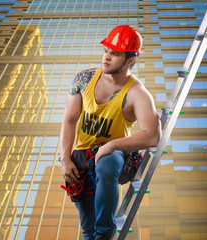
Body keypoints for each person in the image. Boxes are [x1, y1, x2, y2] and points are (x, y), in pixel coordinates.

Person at [59, 25, 162, 240]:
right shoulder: (83, 80)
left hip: (114, 156)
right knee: (88, 230)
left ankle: (106, 234)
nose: (106, 57)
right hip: (81, 156)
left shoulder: (137, 93)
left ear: (131, 60)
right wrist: (65, 159)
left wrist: (112, 145)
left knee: (106, 163)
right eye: (106, 50)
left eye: (115, 54)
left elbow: (153, 135)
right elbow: (69, 120)